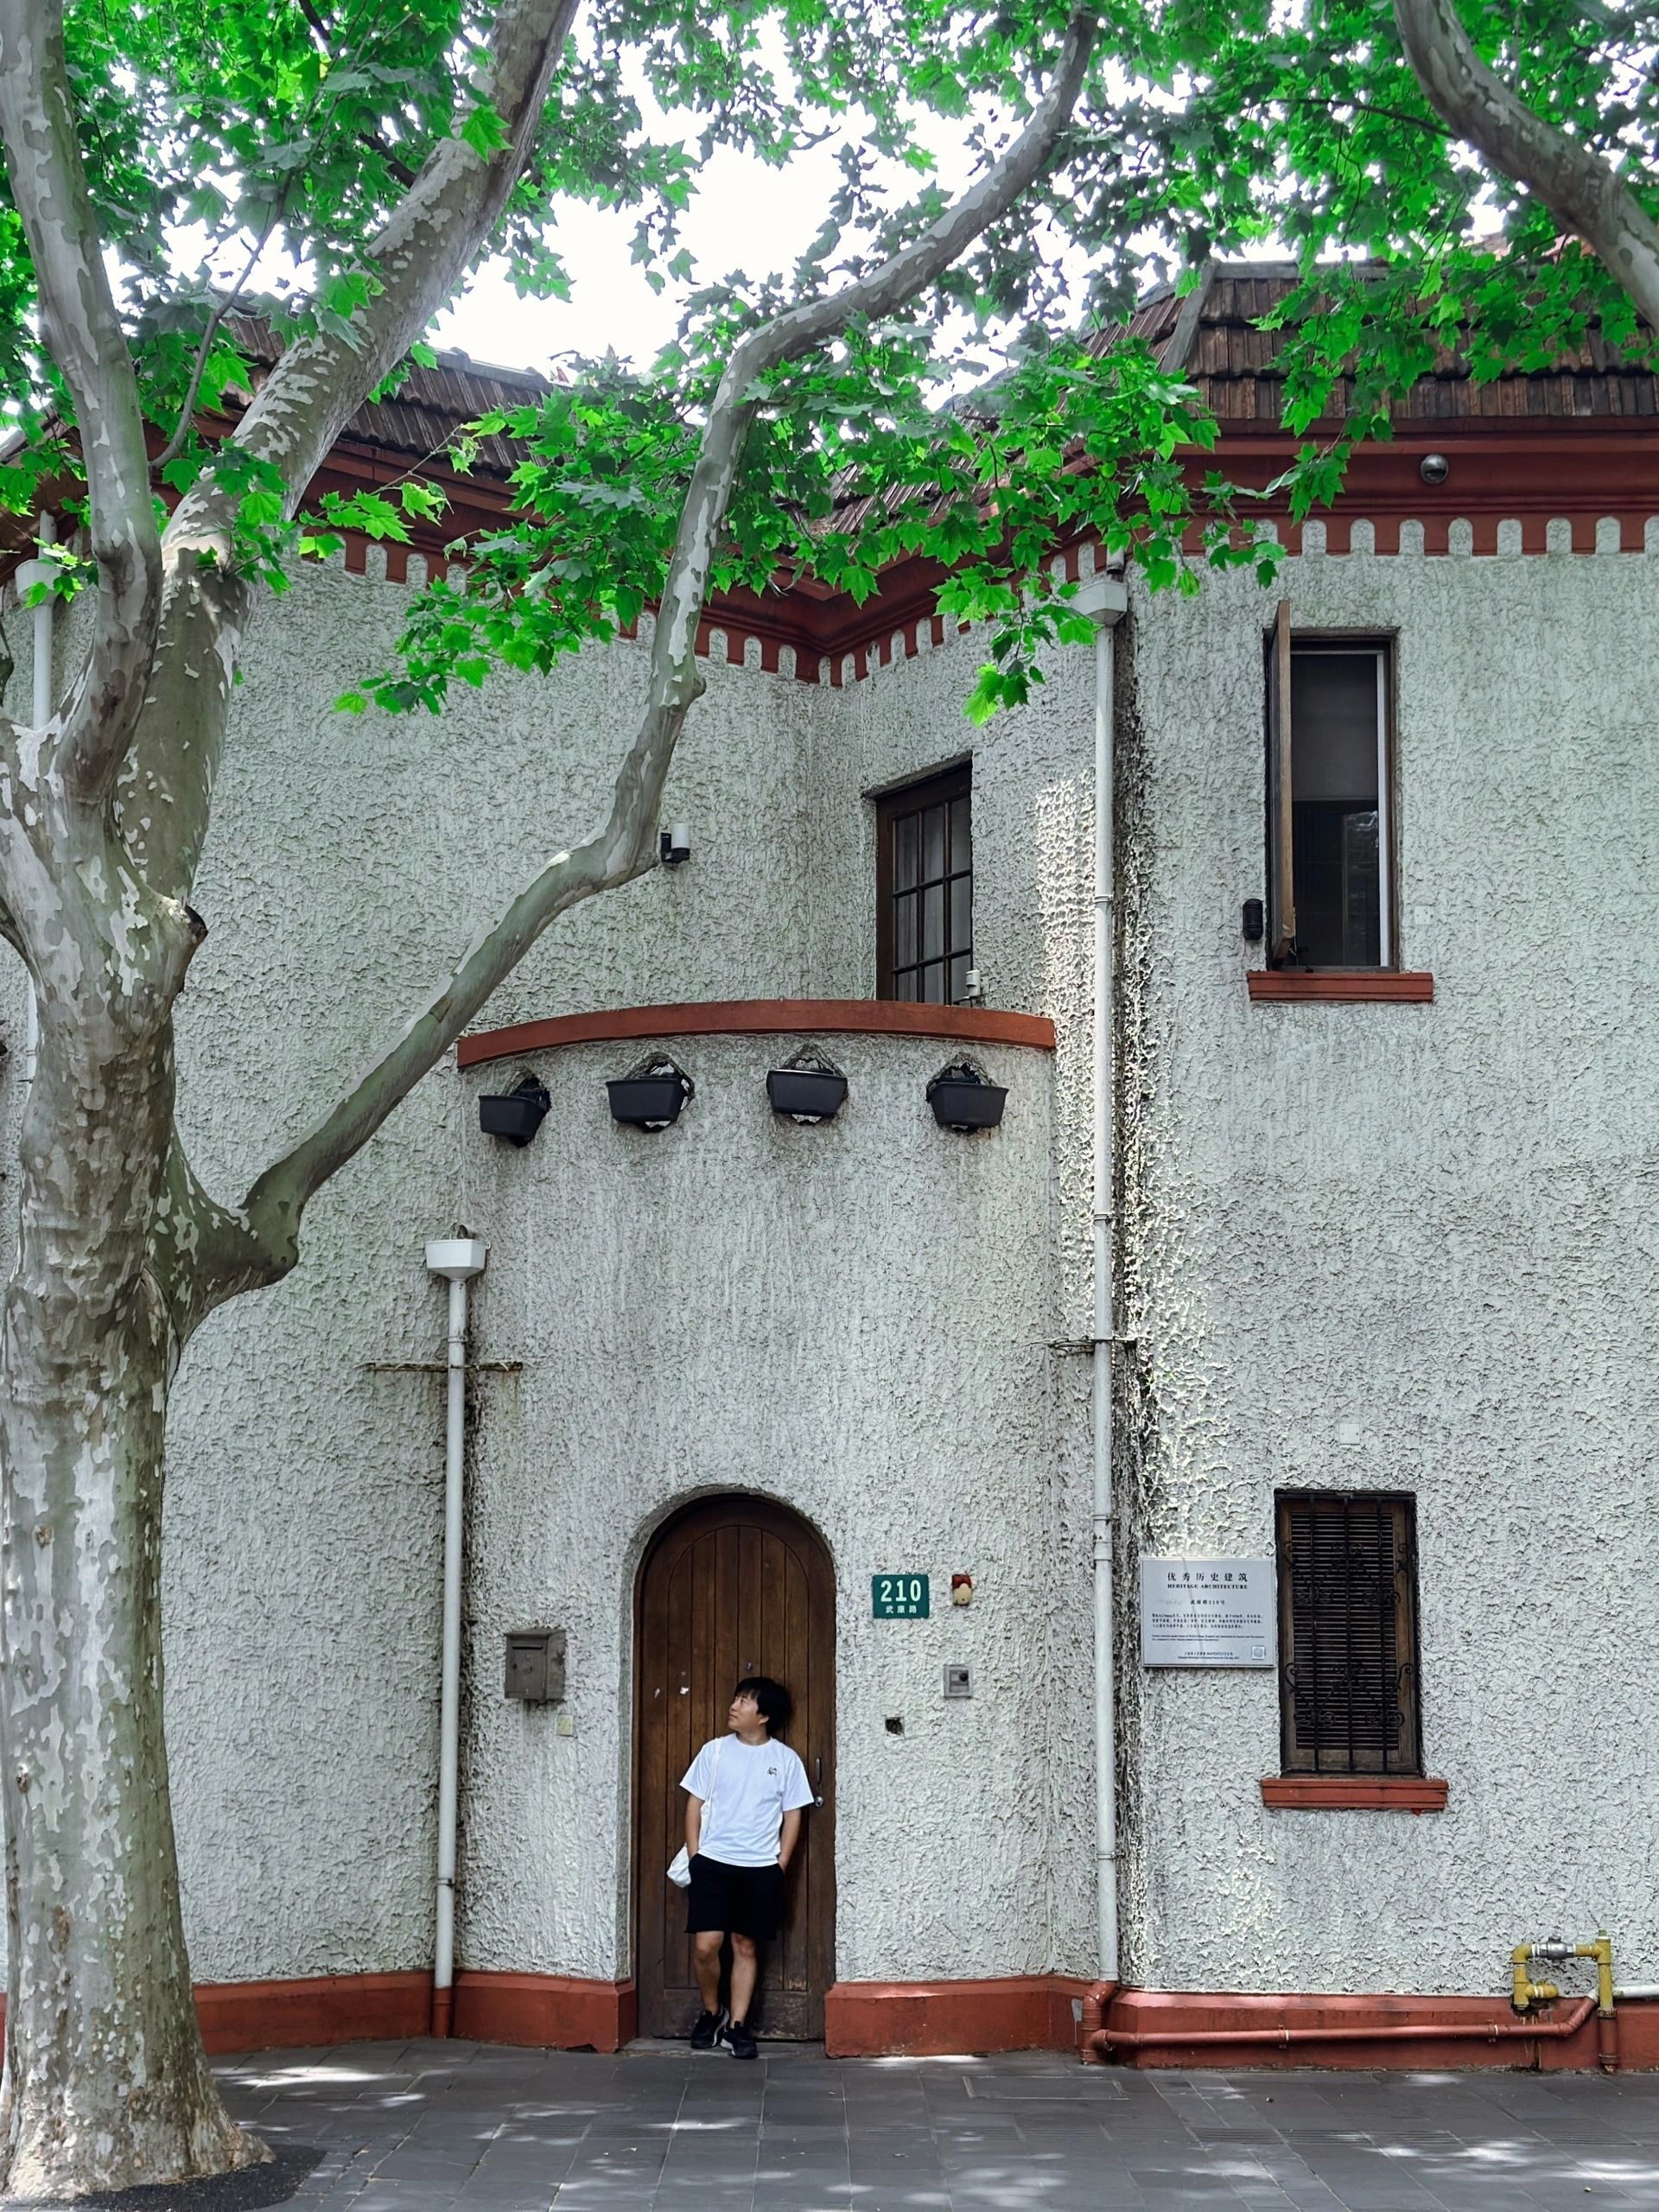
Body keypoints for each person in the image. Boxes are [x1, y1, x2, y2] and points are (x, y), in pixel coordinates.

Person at [681, 1675, 814, 2059]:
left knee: (745, 1945)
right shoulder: (714, 1752)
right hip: (713, 1863)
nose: (734, 1705)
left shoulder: (785, 1760)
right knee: (707, 1946)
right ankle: (712, 2012)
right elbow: (694, 1805)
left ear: (764, 1715)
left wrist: (781, 1864)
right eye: (735, 1697)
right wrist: (696, 1857)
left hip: (760, 1867)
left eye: (744, 1700)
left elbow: (793, 1815)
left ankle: (737, 2027)